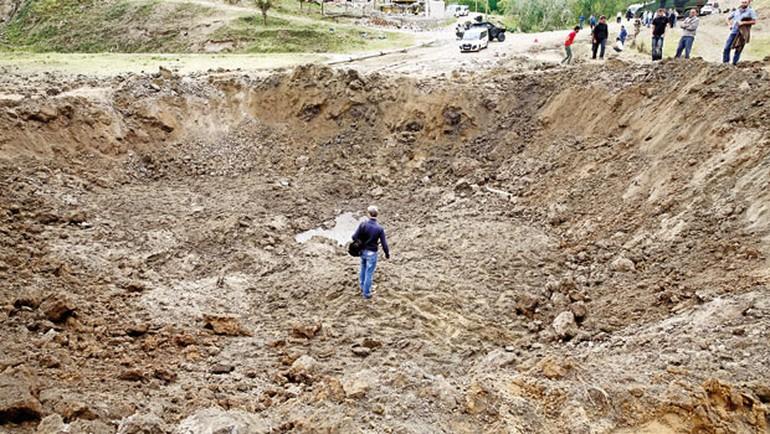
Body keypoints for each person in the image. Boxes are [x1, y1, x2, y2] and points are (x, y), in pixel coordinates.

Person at [351, 206, 390, 300]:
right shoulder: (379, 228)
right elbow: (384, 243)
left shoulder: (363, 225)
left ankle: (362, 287)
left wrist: (360, 243)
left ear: (368, 214)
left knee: (363, 268)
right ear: (377, 215)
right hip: (372, 253)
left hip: (362, 251)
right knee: (369, 273)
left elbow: (354, 237)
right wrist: (387, 254)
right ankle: (367, 293)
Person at [723, 0, 757, 65]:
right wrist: (730, 25)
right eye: (742, 2)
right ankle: (725, 63)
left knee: (738, 49)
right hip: (734, 31)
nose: (743, 3)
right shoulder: (737, 10)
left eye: (745, 2)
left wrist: (743, 22)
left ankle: (734, 63)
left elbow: (754, 21)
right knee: (726, 47)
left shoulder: (751, 11)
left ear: (748, 3)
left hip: (743, 33)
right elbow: (728, 18)